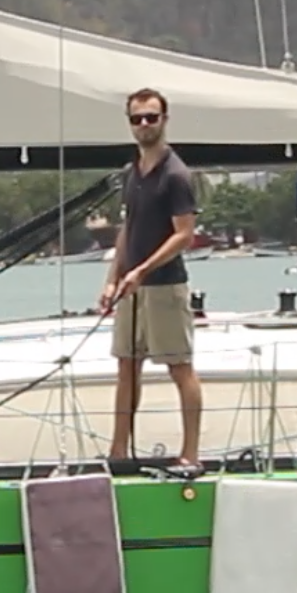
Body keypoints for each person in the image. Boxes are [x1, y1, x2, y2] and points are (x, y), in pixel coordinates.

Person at [100, 87, 204, 465]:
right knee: (126, 365)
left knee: (179, 367)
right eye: (136, 118)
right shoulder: (132, 172)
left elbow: (184, 234)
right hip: (132, 288)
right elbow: (129, 228)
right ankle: (118, 450)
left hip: (164, 286)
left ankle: (191, 454)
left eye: (151, 117)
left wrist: (142, 270)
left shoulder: (176, 175)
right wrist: (114, 277)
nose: (144, 124)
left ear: (164, 120)